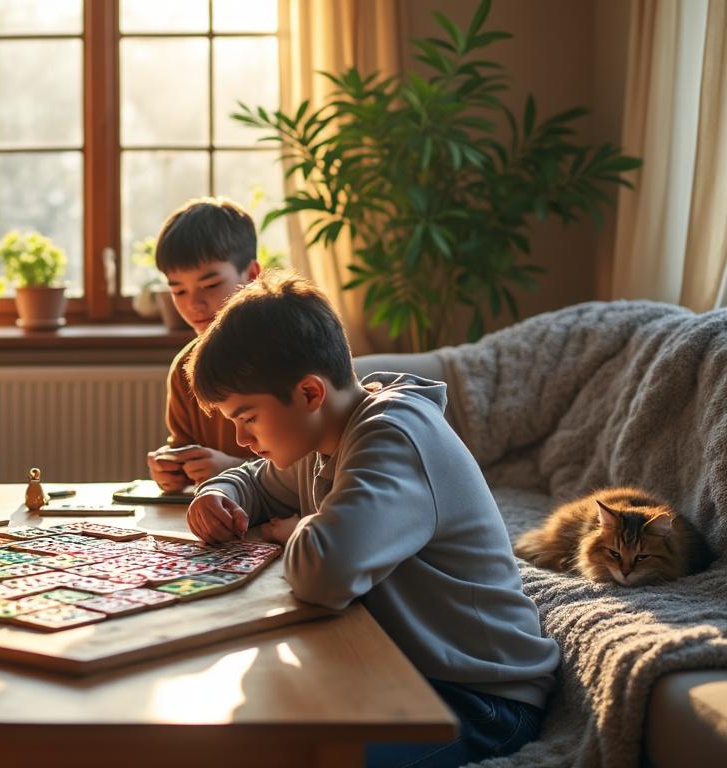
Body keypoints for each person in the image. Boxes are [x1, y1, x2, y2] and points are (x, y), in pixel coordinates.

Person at [186, 271, 559, 768]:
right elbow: (253, 482)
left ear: (310, 394)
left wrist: (294, 529)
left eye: (247, 417)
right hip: (406, 673)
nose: (241, 440)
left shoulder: (392, 435)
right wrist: (217, 493)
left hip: (481, 697)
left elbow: (325, 572)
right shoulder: (315, 439)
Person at [144, 198, 260, 492]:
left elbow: (317, 465)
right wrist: (175, 469)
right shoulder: (186, 368)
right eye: (178, 290)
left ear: (252, 275)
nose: (194, 304)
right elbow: (185, 447)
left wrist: (234, 469)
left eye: (210, 285)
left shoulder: (291, 354)